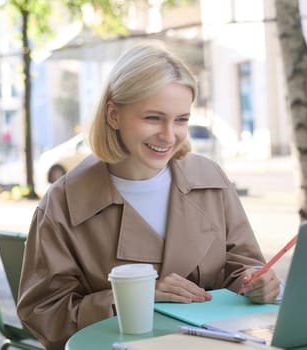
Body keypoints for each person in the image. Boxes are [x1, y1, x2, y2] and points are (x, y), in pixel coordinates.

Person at [15, 43, 282, 350]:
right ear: (113, 115)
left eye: (181, 120)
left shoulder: (211, 180)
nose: (169, 136)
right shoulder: (64, 202)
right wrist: (135, 297)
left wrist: (259, 284)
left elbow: (241, 271)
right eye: (153, 118)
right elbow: (45, 314)